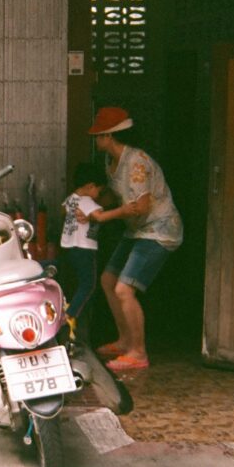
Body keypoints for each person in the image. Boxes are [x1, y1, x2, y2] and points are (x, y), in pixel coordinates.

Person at [82, 107, 183, 372]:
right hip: (137, 230)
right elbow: (118, 198)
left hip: (158, 230)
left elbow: (140, 207)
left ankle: (138, 352)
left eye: (99, 135)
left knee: (124, 289)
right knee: (108, 280)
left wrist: (104, 217)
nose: (96, 140)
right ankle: (125, 340)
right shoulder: (110, 162)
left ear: (110, 136)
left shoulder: (137, 162)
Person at [60, 162, 107, 336]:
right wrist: (123, 210)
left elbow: (62, 210)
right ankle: (69, 316)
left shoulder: (71, 198)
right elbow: (100, 217)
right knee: (88, 284)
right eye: (99, 191)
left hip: (71, 248)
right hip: (85, 249)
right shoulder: (87, 201)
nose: (98, 195)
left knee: (76, 281)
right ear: (91, 186)